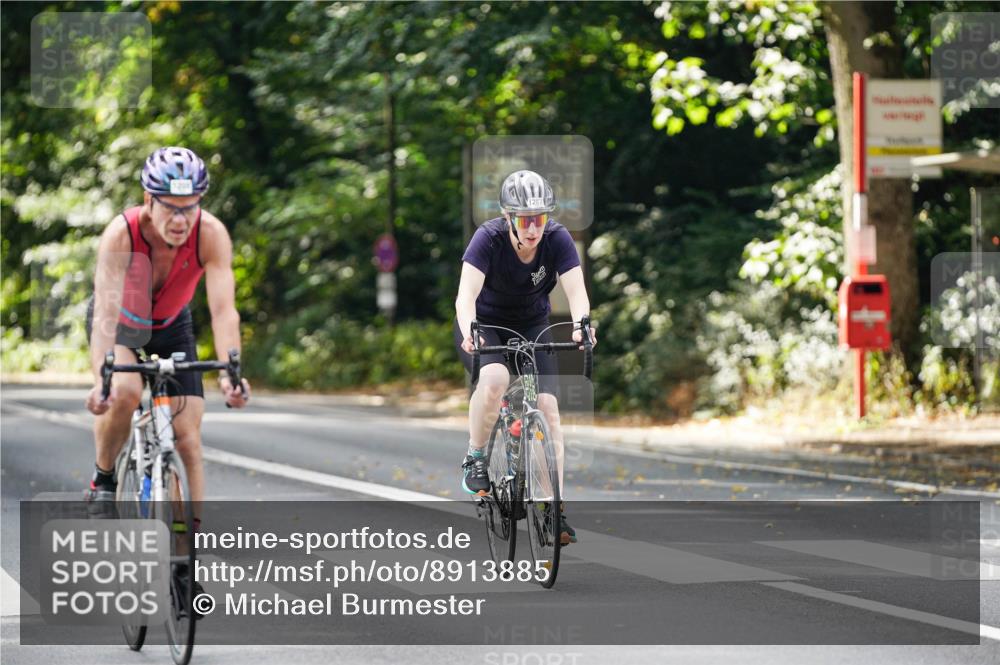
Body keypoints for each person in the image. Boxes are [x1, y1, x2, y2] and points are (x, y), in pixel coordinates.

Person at [84, 146, 251, 508]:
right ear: (149, 200)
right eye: (171, 208)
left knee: (187, 434)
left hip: (172, 325)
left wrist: (230, 374)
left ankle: (189, 534)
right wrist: (102, 380)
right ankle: (104, 480)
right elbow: (104, 316)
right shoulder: (122, 234)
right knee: (125, 392)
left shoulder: (211, 234)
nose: (181, 219)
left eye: (190, 207)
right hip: (121, 325)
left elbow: (224, 312)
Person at [454, 169, 596, 545]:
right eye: (524, 220)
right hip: (486, 324)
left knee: (548, 407)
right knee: (496, 379)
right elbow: (465, 297)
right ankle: (475, 457)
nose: (533, 228)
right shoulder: (488, 239)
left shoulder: (557, 238)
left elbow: (577, 292)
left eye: (540, 218)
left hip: (532, 325)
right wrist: (470, 330)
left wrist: (581, 325)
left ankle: (553, 509)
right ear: (508, 217)